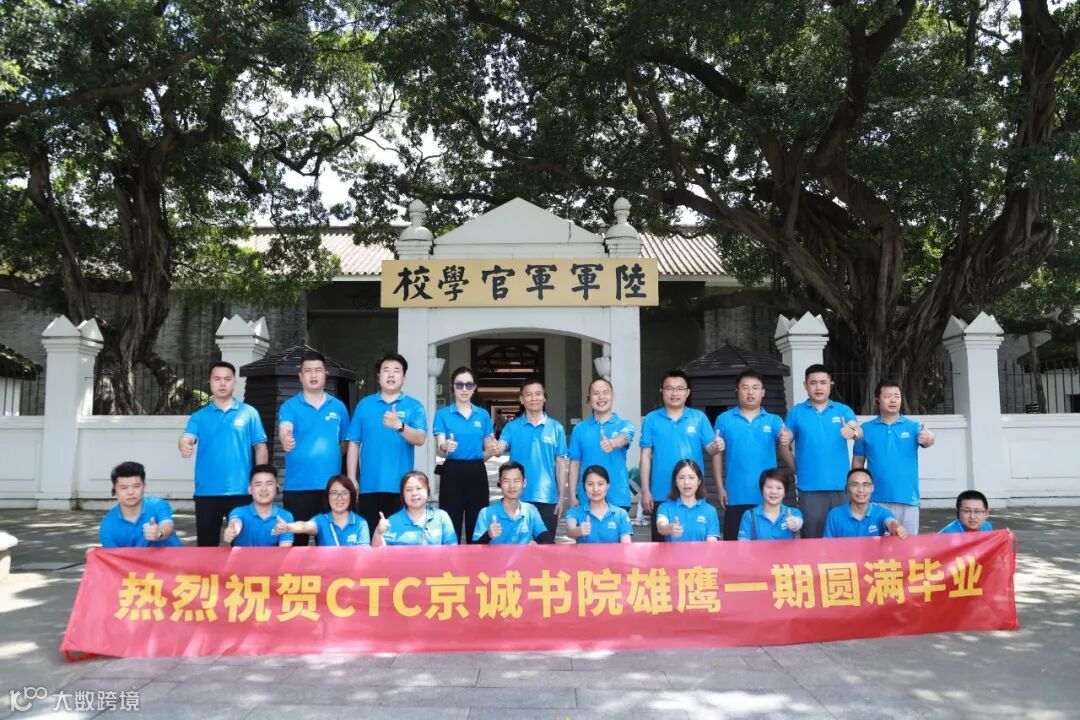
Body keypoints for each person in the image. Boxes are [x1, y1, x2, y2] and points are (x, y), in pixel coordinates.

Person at [179, 361, 268, 547]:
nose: (222, 383)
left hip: (241, 491)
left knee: (243, 547)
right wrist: (184, 444)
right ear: (210, 382)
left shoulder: (249, 413)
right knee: (207, 548)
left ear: (234, 382)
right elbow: (187, 437)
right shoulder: (199, 417)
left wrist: (260, 481)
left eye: (227, 379)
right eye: (217, 379)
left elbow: (260, 448)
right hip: (207, 492)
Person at [346, 353, 427, 534]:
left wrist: (399, 426)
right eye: (386, 370)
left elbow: (420, 438)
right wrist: (352, 477)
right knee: (369, 538)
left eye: (396, 370)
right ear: (378, 376)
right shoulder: (364, 405)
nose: (391, 375)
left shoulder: (414, 406)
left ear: (404, 377)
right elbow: (354, 443)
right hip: (369, 486)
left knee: (399, 540)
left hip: (402, 488)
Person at [778, 364, 861, 539]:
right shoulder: (796, 412)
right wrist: (797, 468)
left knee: (843, 537)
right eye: (813, 383)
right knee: (812, 538)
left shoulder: (842, 410)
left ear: (831, 384)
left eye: (823, 382)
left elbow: (858, 430)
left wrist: (852, 432)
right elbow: (784, 442)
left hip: (841, 487)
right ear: (805, 385)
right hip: (809, 488)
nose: (818, 387)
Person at [277, 350, 350, 546]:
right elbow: (285, 428)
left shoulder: (338, 407)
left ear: (326, 374)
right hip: (297, 487)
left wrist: (331, 456)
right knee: (296, 545)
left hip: (330, 489)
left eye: (318, 370)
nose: (313, 375)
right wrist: (286, 438)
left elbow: (345, 442)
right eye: (308, 371)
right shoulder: (290, 406)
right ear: (300, 376)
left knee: (329, 545)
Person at [640, 370, 722, 542]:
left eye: (679, 389)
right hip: (661, 494)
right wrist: (646, 491)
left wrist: (717, 446)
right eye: (669, 388)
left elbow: (710, 449)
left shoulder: (698, 418)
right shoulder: (651, 419)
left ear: (687, 392)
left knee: (697, 547)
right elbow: (645, 457)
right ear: (662, 391)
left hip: (692, 494)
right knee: (661, 549)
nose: (675, 393)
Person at [852, 380, 935, 536]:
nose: (893, 400)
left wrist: (929, 437)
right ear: (877, 400)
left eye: (897, 396)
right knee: (876, 546)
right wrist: (856, 489)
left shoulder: (913, 426)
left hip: (908, 499)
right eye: (888, 396)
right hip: (875, 500)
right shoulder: (865, 429)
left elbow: (929, 439)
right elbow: (858, 462)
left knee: (908, 545)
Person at [714, 369, 788, 541]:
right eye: (745, 387)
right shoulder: (724, 419)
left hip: (767, 496)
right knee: (734, 547)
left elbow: (785, 445)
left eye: (755, 387)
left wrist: (787, 441)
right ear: (737, 390)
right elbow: (716, 454)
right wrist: (719, 487)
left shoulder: (774, 420)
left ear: (763, 392)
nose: (750, 392)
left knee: (768, 549)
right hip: (735, 494)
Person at [495, 377, 568, 544]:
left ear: (544, 397)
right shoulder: (512, 427)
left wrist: (561, 498)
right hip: (517, 498)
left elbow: (560, 464)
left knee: (546, 548)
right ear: (521, 399)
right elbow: (501, 446)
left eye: (538, 394)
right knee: (518, 548)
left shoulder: (556, 428)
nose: (534, 398)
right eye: (528, 395)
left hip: (547, 498)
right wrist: (495, 448)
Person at [433, 366, 498, 544]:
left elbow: (486, 451)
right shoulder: (442, 414)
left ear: (474, 387)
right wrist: (445, 447)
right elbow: (440, 449)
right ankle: (449, 559)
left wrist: (492, 449)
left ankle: (476, 558)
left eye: (469, 385)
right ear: (452, 387)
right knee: (450, 521)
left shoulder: (482, 415)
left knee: (477, 522)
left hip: (477, 471)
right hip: (451, 472)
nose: (464, 389)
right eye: (459, 384)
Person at [568, 378, 635, 513]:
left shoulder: (625, 424)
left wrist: (612, 443)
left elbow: (623, 438)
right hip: (587, 498)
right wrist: (572, 495)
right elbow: (574, 464)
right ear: (589, 398)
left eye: (605, 392)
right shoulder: (579, 429)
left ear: (613, 395)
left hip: (617, 497)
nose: (601, 397)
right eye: (596, 393)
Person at [274, 475, 376, 546]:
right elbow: (305, 526)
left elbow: (362, 555)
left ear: (351, 496)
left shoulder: (361, 523)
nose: (339, 498)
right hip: (326, 571)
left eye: (344, 493)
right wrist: (288, 527)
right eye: (334, 493)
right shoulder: (321, 520)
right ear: (328, 496)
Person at [99, 461, 181, 548]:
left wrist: (159, 533)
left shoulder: (157, 504)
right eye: (124, 488)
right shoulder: (108, 525)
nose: (131, 492)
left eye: (136, 486)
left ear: (144, 486)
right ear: (115, 490)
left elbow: (168, 525)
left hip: (171, 556)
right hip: (130, 558)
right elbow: (111, 555)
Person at [372, 471, 458, 546]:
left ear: (428, 490)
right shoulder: (392, 521)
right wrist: (378, 533)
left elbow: (452, 548)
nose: (414, 493)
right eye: (409, 489)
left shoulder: (441, 516)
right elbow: (378, 553)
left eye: (419, 488)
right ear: (403, 494)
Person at [472, 461, 548, 544]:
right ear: (500, 483)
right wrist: (487, 536)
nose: (512, 485)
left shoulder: (531, 510)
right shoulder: (485, 513)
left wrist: (538, 546)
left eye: (516, 481)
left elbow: (546, 538)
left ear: (524, 483)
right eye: (506, 481)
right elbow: (474, 548)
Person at [823, 468, 909, 539]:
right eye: (855, 485)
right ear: (847, 489)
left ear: (872, 488)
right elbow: (827, 546)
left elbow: (890, 522)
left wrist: (896, 528)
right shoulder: (834, 515)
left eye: (865, 485)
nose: (861, 490)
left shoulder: (882, 512)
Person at [223, 464, 294, 547]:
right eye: (258, 484)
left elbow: (284, 550)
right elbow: (235, 522)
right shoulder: (239, 512)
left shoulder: (286, 516)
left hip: (273, 556)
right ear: (250, 489)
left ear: (277, 487)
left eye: (269, 484)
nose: (264, 489)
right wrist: (232, 530)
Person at [655, 460, 721, 543]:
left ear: (699, 481)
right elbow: (661, 526)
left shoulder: (710, 511)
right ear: (675, 482)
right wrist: (670, 528)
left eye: (691, 477)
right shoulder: (665, 507)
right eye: (681, 477)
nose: (686, 482)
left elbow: (712, 543)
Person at [565, 465, 633, 544]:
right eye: (590, 484)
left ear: (608, 486)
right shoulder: (574, 512)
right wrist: (579, 530)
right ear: (584, 487)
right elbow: (570, 531)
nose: (595, 489)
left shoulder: (621, 514)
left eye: (600, 484)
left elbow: (626, 545)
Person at [737, 468, 804, 541]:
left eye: (779, 488)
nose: (774, 492)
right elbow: (743, 543)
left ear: (785, 493)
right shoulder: (750, 515)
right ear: (762, 490)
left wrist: (795, 523)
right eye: (769, 487)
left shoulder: (793, 512)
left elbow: (798, 523)